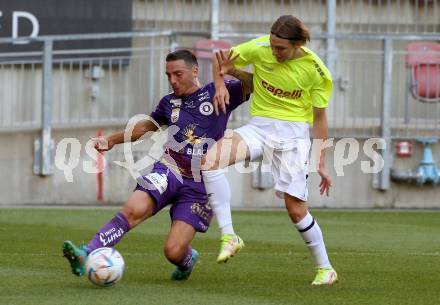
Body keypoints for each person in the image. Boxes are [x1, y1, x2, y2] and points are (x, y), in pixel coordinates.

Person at [62, 49, 251, 281]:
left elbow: (253, 85)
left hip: (201, 184)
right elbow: (145, 127)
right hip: (168, 169)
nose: (173, 80)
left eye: (178, 74)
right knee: (132, 210)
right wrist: (110, 140)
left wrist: (230, 73)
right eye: (168, 75)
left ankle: (187, 259)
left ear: (194, 70)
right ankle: (87, 252)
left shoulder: (218, 92)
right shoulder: (168, 102)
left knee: (173, 251)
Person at [200, 15, 338, 285]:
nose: (274, 52)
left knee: (296, 211)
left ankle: (325, 268)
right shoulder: (260, 48)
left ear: (298, 44)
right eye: (273, 46)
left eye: (281, 49)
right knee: (210, 161)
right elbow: (222, 60)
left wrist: (320, 160)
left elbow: (320, 118)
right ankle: (230, 235)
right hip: (259, 127)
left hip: (293, 135)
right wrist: (220, 85)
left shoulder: (316, 70)